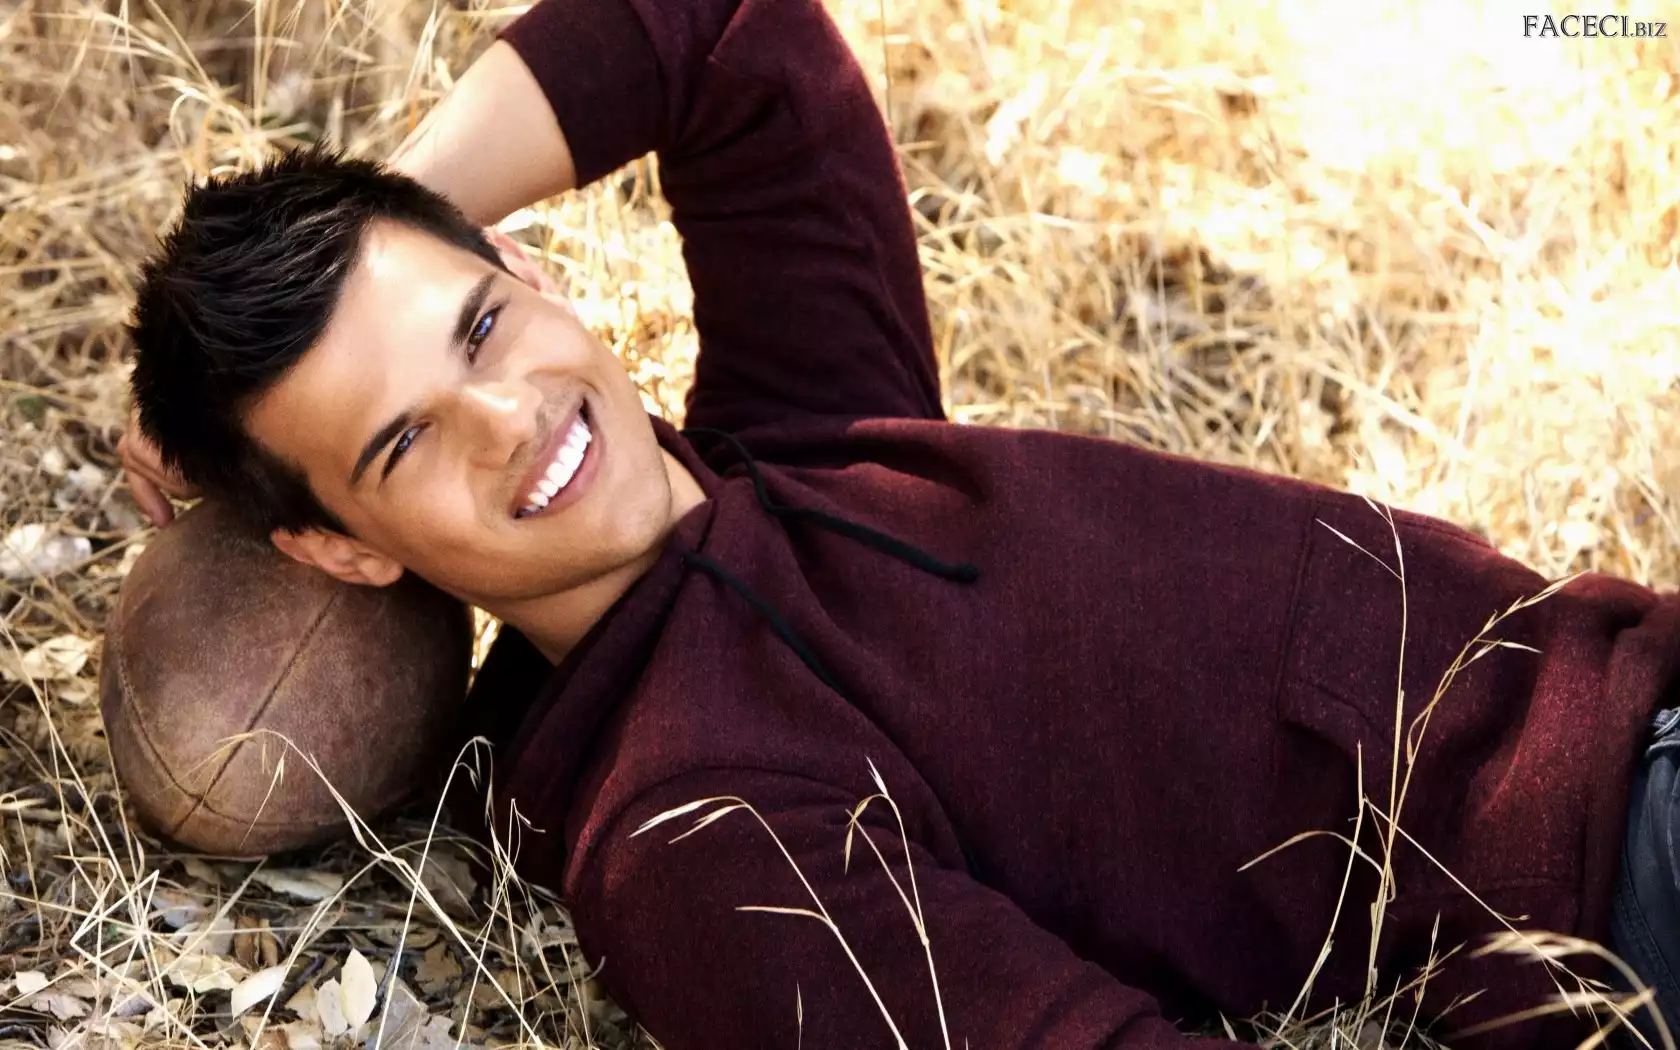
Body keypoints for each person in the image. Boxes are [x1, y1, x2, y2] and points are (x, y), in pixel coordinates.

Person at [115, 0, 1680, 1047]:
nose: (509, 417)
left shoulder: (801, 427)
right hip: (1616, 884)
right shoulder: (692, 829)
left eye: (477, 325)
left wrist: (389, 207)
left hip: (1632, 677)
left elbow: (727, 32)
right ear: (346, 545)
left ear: (528, 267)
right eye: (402, 442)